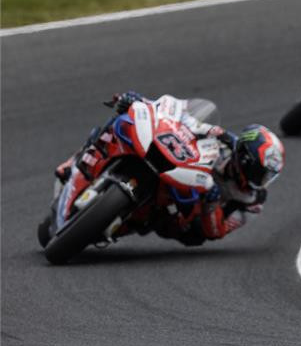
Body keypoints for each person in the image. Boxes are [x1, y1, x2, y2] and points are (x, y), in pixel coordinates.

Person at [52, 91, 284, 246]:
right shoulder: (223, 144)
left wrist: (211, 205)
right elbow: (189, 121)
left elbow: (217, 231)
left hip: (190, 216)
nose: (260, 181)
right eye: (260, 173)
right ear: (244, 158)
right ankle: (79, 161)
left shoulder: (252, 201)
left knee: (172, 223)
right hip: (177, 170)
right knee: (118, 123)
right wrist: (142, 103)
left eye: (267, 177)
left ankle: (117, 223)